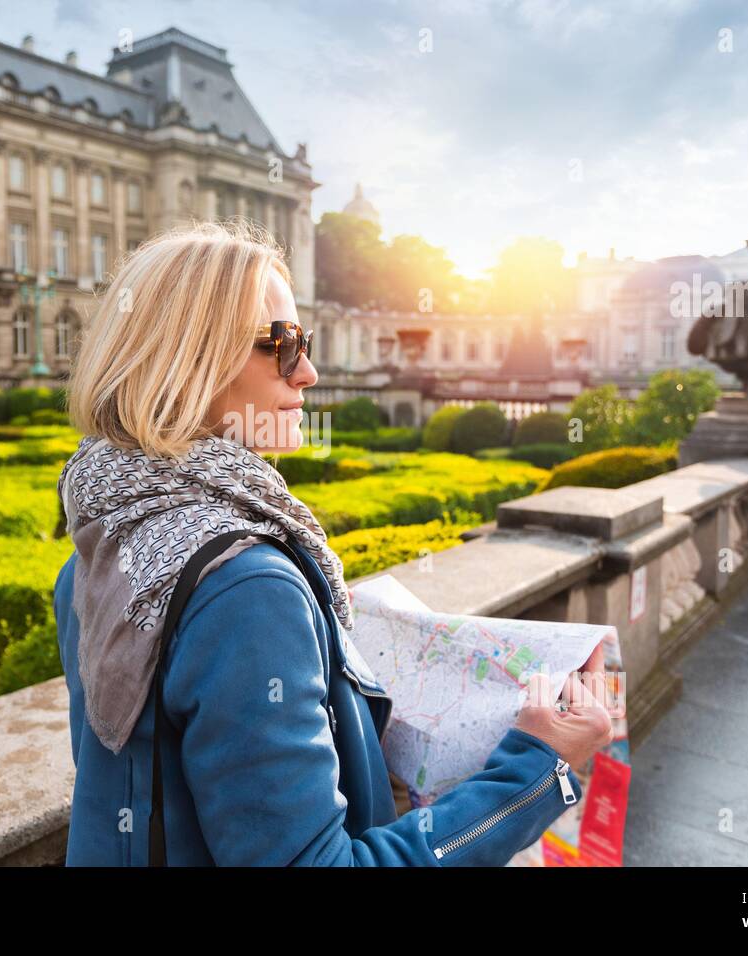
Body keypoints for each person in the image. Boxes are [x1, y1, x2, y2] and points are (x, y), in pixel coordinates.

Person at [54, 219, 613, 866]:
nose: (310, 372)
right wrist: (541, 768)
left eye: (307, 342)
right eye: (285, 344)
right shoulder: (248, 589)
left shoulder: (103, 540)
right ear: (190, 357)